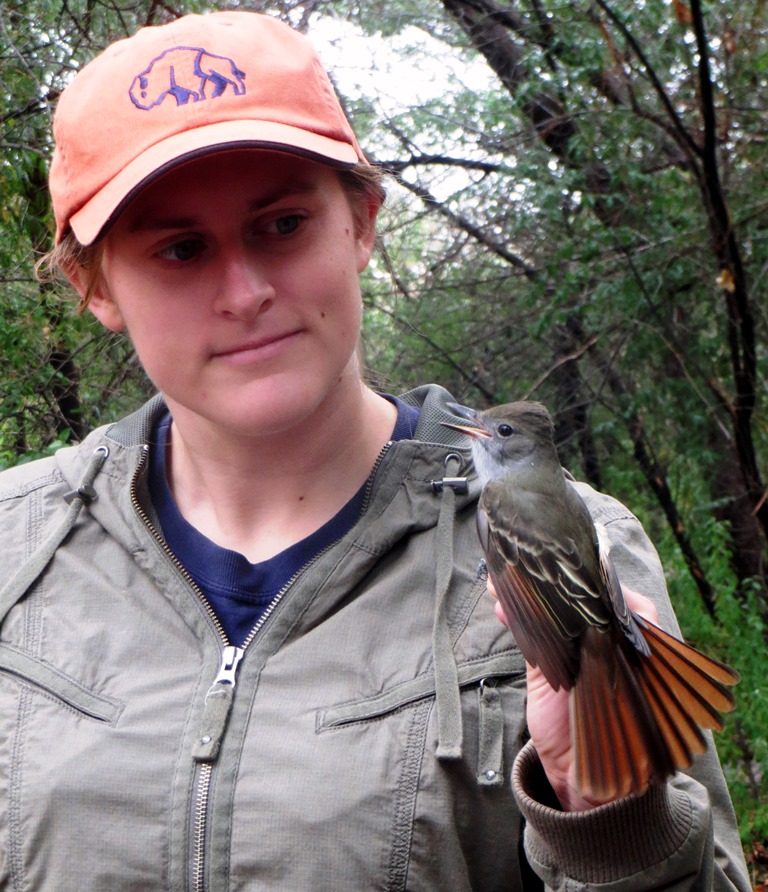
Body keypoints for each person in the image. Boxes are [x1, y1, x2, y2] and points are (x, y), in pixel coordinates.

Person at [0, 11, 750, 891]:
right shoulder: (17, 550)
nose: (245, 293)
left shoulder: (586, 534)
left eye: (281, 225)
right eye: (180, 248)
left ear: (361, 222)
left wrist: (608, 819)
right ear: (96, 286)